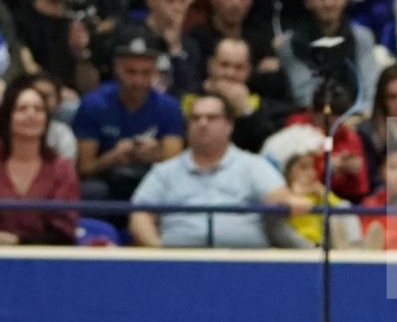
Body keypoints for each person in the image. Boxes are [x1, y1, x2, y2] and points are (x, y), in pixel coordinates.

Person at [128, 93, 305, 248]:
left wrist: (289, 200)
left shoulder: (254, 165)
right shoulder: (164, 172)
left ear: (229, 125)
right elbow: (140, 215)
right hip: (178, 266)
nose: (202, 124)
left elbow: (278, 197)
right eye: (196, 118)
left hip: (245, 265)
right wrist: (159, 253)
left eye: (211, 118)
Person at [73, 28, 187, 203]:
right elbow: (84, 167)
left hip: (153, 179)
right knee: (91, 191)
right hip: (108, 180)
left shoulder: (169, 107)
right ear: (117, 68)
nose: (138, 81)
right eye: (131, 72)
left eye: (146, 73)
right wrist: (111, 158)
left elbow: (177, 165)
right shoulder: (93, 104)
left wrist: (157, 154)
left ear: (155, 71)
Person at [0, 75, 78, 245]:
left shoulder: (62, 168)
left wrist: (19, 241)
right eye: (22, 109)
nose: (31, 115)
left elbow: (64, 232)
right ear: (7, 116)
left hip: (44, 260)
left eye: (38, 110)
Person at [277, 0, 377, 114]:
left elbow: (370, 90)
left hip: (358, 117)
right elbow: (304, 94)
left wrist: (358, 117)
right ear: (307, 1)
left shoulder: (362, 37)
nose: (329, 3)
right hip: (311, 119)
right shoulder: (289, 44)